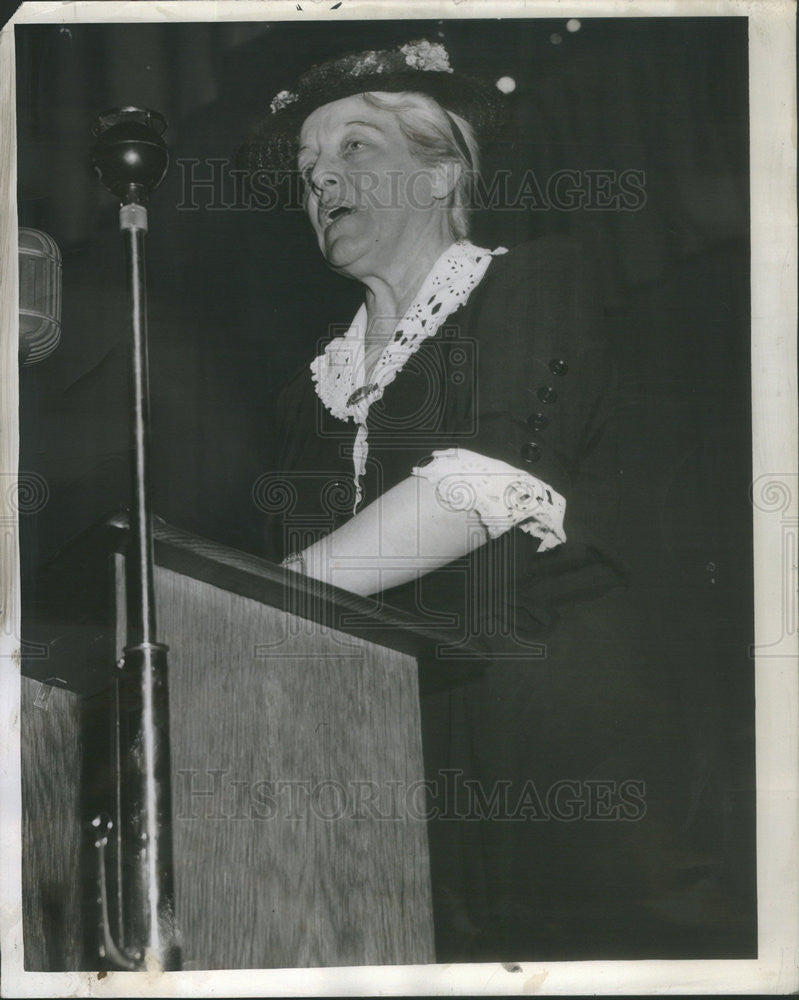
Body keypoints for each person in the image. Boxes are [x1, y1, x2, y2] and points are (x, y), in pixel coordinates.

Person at [239, 39, 667, 961]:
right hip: (390, 759)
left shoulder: (537, 281)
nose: (320, 181)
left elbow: (482, 480)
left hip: (552, 745)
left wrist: (255, 603)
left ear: (443, 175)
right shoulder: (304, 392)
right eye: (308, 168)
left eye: (355, 149)